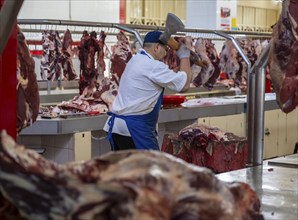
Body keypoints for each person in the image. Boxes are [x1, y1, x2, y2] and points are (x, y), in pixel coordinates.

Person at [104, 30, 192, 151]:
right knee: (152, 168)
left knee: (128, 169)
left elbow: (168, 76)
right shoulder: (153, 66)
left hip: (118, 128)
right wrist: (184, 56)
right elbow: (184, 86)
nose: (167, 52)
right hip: (135, 129)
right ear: (156, 47)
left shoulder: (136, 60)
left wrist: (186, 64)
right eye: (165, 48)